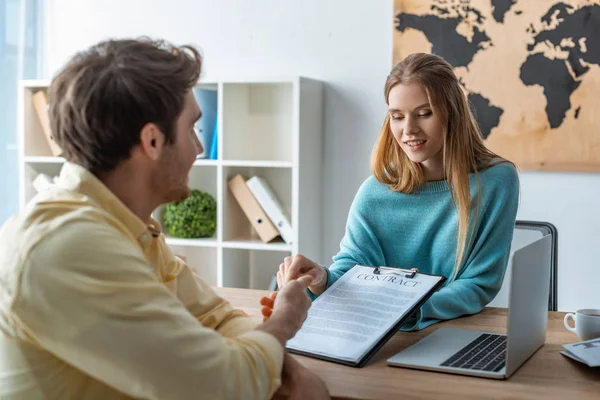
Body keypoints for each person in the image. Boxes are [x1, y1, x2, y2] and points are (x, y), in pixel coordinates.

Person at [0, 38, 329, 400]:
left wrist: (288, 371)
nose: (200, 149)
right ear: (153, 141)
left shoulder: (128, 226)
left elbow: (215, 318)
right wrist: (284, 320)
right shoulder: (69, 246)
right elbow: (222, 385)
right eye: (192, 129)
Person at [276, 53, 519, 331]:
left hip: (455, 332)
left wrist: (412, 310)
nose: (409, 130)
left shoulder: (497, 181)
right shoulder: (375, 192)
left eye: (424, 113)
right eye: (397, 116)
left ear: (452, 112)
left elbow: (479, 284)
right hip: (384, 337)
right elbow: (353, 270)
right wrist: (320, 278)